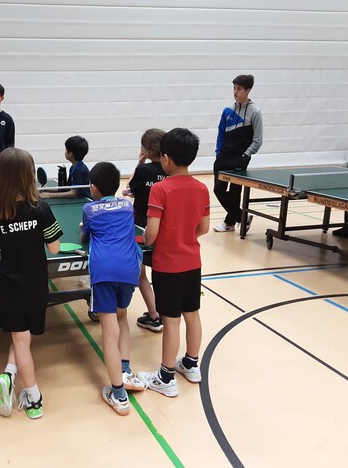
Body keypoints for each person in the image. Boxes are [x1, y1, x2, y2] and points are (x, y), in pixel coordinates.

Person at [0, 148, 62, 419]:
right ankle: (21, 385)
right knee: (24, 339)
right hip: (36, 286)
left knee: (20, 339)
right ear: (28, 176)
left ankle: (23, 388)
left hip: (8, 288)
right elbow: (55, 248)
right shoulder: (41, 209)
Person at [137, 128, 210, 398]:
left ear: (165, 158)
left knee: (170, 321)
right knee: (192, 314)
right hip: (193, 262)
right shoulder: (202, 188)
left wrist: (147, 239)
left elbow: (151, 234)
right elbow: (203, 228)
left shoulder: (160, 189)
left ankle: (166, 377)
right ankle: (191, 364)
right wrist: (183, 237)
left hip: (167, 265)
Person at [81, 162, 144, 416]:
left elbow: (85, 236)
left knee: (109, 331)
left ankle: (118, 392)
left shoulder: (89, 208)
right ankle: (125, 370)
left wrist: (85, 231)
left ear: (94, 188)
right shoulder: (127, 206)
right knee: (122, 316)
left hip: (104, 271)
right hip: (130, 270)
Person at [122, 129, 167, 333]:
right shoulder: (170, 171)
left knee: (141, 274)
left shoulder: (143, 170)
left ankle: (154, 315)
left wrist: (139, 163)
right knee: (160, 273)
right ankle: (164, 313)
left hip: (142, 229)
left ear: (148, 150)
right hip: (164, 230)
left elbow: (130, 187)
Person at [213, 74, 262, 232]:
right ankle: (242, 217)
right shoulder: (227, 111)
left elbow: (257, 140)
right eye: (234, 88)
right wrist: (218, 152)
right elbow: (221, 134)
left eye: (239, 89)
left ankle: (230, 223)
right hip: (223, 157)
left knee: (235, 192)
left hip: (240, 158)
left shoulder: (255, 112)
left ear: (248, 90)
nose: (235, 91)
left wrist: (245, 155)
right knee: (218, 190)